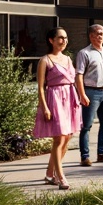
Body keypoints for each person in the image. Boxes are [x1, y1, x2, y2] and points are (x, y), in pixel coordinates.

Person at [35, 28, 81, 189]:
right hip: (54, 99)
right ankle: (60, 177)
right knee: (59, 138)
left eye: (66, 38)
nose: (64, 41)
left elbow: (73, 80)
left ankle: (50, 173)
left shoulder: (68, 59)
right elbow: (41, 87)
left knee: (67, 138)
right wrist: (45, 108)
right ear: (51, 40)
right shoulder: (45, 60)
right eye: (60, 38)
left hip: (69, 98)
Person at [74, 24, 103, 166]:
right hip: (91, 92)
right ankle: (85, 157)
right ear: (91, 36)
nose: (101, 36)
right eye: (98, 34)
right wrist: (82, 94)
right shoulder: (84, 53)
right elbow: (79, 75)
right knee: (86, 125)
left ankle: (101, 153)